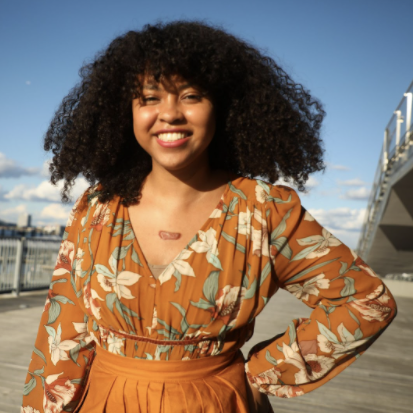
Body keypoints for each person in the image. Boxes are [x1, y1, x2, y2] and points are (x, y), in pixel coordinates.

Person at [21, 20, 397, 413]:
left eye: (191, 96)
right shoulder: (97, 208)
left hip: (217, 402)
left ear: (223, 107)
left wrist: (262, 374)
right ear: (126, 113)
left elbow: (365, 300)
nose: (170, 114)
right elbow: (61, 331)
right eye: (149, 98)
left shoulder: (263, 210)